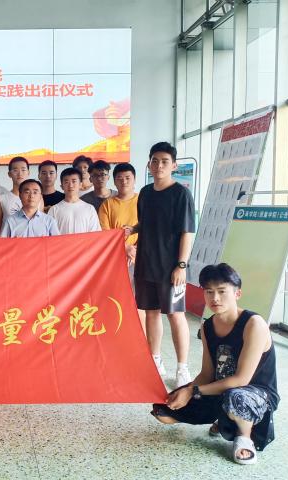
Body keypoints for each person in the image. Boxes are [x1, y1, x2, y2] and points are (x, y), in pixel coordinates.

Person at [151, 263, 279, 466]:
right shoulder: (208, 326)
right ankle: (226, 418)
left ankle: (244, 437)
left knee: (236, 397)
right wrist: (182, 392)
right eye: (209, 292)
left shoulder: (254, 324)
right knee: (163, 411)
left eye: (222, 291)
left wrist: (192, 391)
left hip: (255, 393)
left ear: (237, 293)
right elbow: (207, 374)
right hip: (221, 389)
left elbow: (241, 380)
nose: (215, 298)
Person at [125, 141, 195, 388]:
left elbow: (187, 232)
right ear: (149, 164)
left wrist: (181, 265)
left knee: (175, 314)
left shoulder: (181, 194)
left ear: (174, 165)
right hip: (146, 263)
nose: (159, 166)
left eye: (165, 161)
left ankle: (182, 368)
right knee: (151, 313)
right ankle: (155, 361)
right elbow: (147, 223)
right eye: (155, 161)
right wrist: (133, 229)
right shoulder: (145, 193)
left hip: (171, 268)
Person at [98, 163, 145, 332]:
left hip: (141, 258)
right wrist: (125, 248)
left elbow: (150, 228)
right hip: (115, 259)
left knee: (140, 302)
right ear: (114, 181)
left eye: (127, 178)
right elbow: (104, 232)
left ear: (134, 180)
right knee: (115, 300)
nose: (124, 181)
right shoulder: (107, 205)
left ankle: (139, 336)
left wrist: (135, 250)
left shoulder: (143, 201)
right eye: (119, 178)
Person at [48, 167, 100, 234]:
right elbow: (51, 236)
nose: (70, 185)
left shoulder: (89, 209)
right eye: (66, 182)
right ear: (62, 186)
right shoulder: (54, 210)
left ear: (80, 184)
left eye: (74, 181)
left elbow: (95, 235)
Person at [0, 156, 30, 236]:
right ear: (9, 174)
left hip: (30, 243)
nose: (20, 174)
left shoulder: (38, 199)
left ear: (28, 173)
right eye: (15, 170)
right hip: (8, 242)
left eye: (23, 170)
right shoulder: (1, 199)